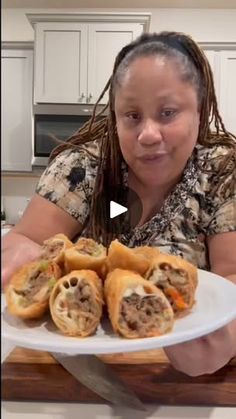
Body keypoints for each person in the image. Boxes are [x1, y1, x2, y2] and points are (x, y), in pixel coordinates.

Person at [2, 31, 236, 376]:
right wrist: (18, 253)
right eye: (132, 115)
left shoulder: (223, 174)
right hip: (69, 371)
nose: (148, 134)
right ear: (115, 116)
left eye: (168, 112)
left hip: (179, 385)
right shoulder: (81, 169)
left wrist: (220, 331)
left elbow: (230, 274)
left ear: (199, 112)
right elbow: (28, 241)